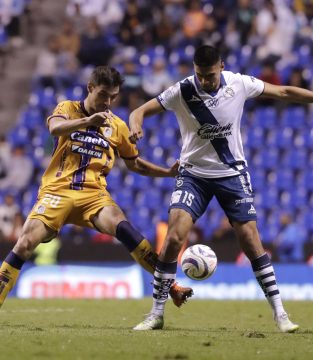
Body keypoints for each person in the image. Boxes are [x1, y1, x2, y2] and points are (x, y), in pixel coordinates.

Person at [128, 45, 313, 332]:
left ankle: (280, 314)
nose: (205, 82)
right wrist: (136, 125)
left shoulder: (239, 83)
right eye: (200, 75)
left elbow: (284, 92)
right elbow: (139, 111)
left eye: (210, 76)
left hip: (231, 173)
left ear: (221, 66)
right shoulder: (182, 90)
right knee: (174, 238)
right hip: (193, 174)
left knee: (251, 242)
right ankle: (156, 313)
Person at [0, 66, 193, 310]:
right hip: (57, 191)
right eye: (103, 94)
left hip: (94, 196)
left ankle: (171, 287)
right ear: (90, 88)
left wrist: (166, 172)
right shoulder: (68, 108)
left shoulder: (117, 125)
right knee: (25, 243)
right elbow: (54, 128)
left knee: (125, 229)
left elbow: (134, 164)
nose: (108, 102)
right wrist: (88, 121)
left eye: (113, 96)